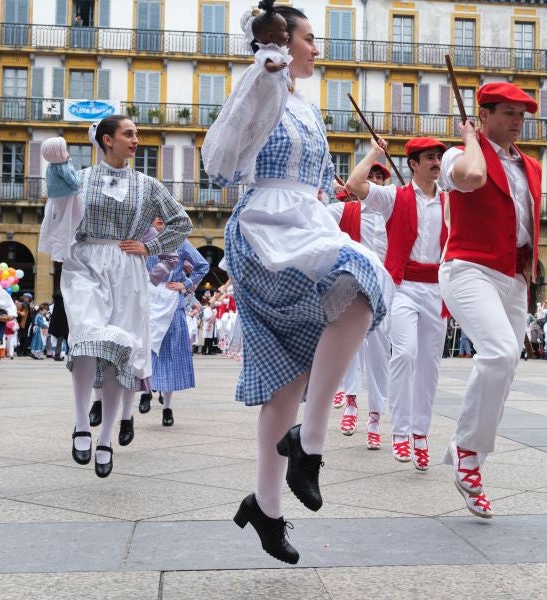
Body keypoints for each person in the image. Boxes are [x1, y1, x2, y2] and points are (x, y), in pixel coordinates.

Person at [207, 5, 390, 564]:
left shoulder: (307, 107)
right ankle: (308, 445)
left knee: (290, 380)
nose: (318, 48)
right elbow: (221, 161)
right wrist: (267, 62)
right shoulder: (261, 84)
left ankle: (266, 505)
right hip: (265, 230)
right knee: (362, 284)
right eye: (310, 38)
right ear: (283, 41)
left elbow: (312, 188)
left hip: (304, 225)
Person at [40, 122, 191, 479]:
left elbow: (181, 223)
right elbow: (58, 209)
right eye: (128, 134)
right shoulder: (81, 177)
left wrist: (150, 247)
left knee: (120, 352)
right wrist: (57, 171)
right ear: (107, 140)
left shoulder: (148, 184)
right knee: (86, 339)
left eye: (136, 134)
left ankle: (105, 437)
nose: (136, 140)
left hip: (127, 268)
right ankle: (81, 423)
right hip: (84, 262)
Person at [436, 81, 542, 519]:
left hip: (513, 276)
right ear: (484, 115)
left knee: (509, 364)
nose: (518, 121)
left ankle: (472, 460)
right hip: (468, 268)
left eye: (522, 114)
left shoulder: (532, 166)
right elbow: (473, 178)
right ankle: (466, 451)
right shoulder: (458, 155)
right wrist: (468, 138)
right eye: (508, 113)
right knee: (497, 354)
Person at [345, 136, 448, 470]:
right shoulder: (393, 197)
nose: (436, 162)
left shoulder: (451, 201)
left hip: (437, 290)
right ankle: (400, 433)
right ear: (413, 165)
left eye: (439, 157)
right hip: (402, 287)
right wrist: (376, 151)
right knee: (404, 353)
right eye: (429, 157)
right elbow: (353, 183)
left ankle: (421, 433)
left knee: (430, 366)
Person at [327, 167, 392, 449]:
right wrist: (323, 183)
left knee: (379, 352)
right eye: (370, 178)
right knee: (351, 343)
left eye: (380, 180)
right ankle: (351, 402)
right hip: (354, 282)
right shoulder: (344, 211)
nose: (374, 183)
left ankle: (375, 416)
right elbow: (312, 213)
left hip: (387, 287)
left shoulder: (394, 213)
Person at [201, 0, 291, 188]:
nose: (287, 34)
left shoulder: (279, 52)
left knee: (258, 134)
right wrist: (276, 67)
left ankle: (244, 168)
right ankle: (227, 166)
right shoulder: (266, 52)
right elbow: (267, 64)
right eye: (284, 30)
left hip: (272, 99)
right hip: (259, 93)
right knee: (244, 124)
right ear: (270, 35)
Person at [146, 235, 210, 429]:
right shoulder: (143, 239)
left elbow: (202, 265)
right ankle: (145, 392)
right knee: (145, 350)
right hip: (148, 300)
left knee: (171, 355)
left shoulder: (179, 241)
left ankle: (167, 407)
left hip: (172, 302)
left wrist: (186, 284)